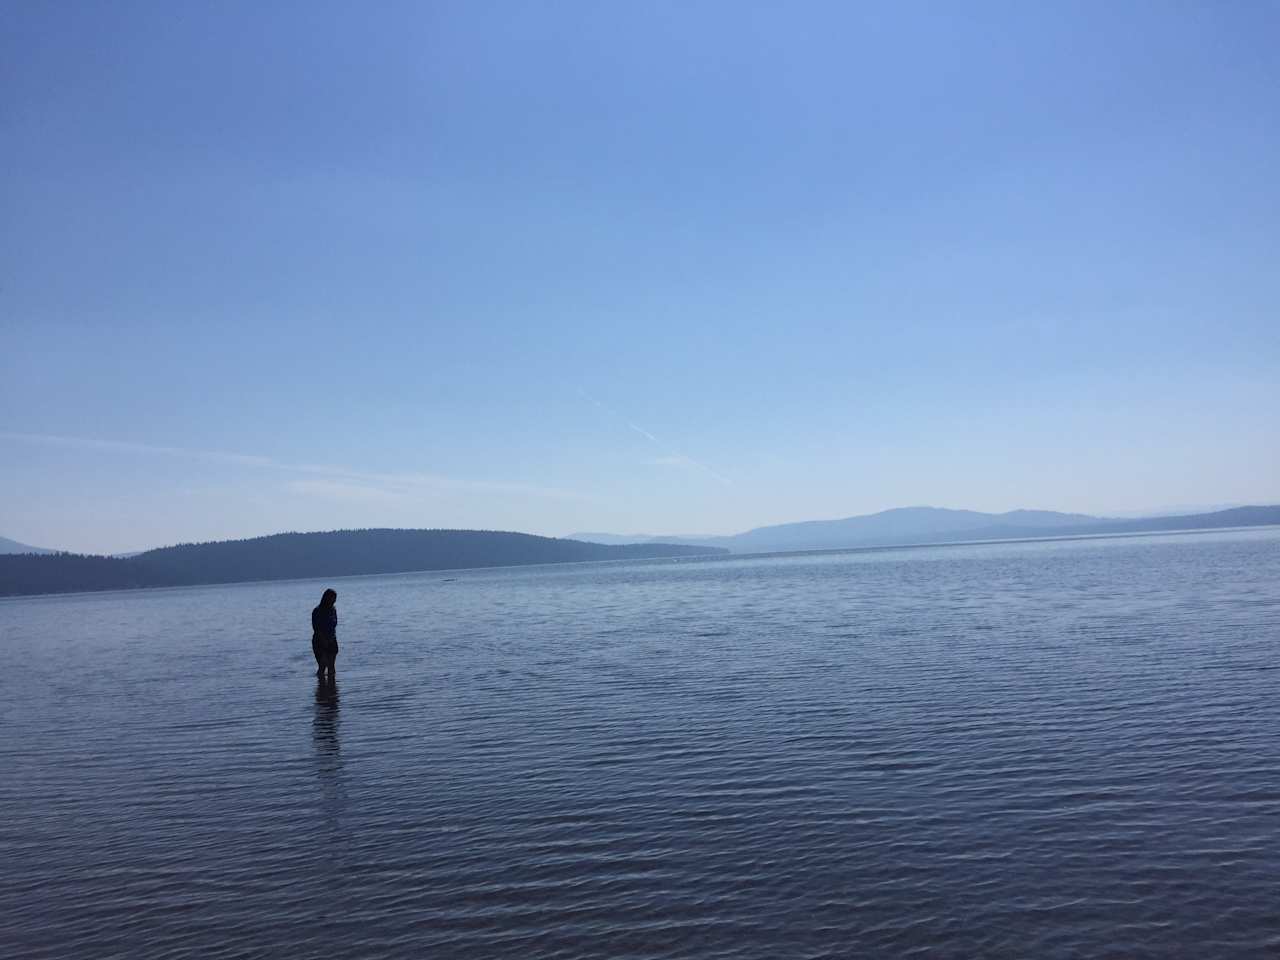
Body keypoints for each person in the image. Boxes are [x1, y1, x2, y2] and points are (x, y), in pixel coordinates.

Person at [311, 588, 339, 681]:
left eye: (335, 598)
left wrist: (331, 639)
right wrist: (323, 640)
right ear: (326, 598)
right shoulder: (317, 611)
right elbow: (316, 628)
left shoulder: (333, 610)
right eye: (333, 598)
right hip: (319, 641)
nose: (334, 600)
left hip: (332, 639)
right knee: (322, 665)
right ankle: (321, 687)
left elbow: (334, 624)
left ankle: (332, 689)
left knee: (331, 666)